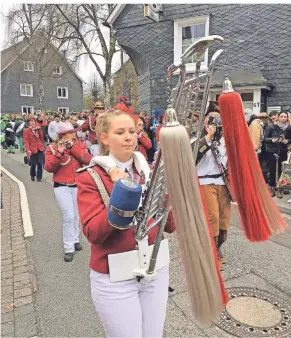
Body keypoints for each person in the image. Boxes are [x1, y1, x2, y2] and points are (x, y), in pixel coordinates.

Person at [76, 110, 175, 337]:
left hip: (155, 269)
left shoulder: (150, 171)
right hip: (115, 278)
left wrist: (172, 192)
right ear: (104, 138)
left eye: (132, 131)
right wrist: (123, 196)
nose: (129, 137)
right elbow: (94, 233)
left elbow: (169, 225)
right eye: (120, 132)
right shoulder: (90, 176)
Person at [44, 122, 92, 262]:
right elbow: (49, 167)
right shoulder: (52, 148)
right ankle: (68, 247)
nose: (73, 134)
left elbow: (87, 160)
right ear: (62, 135)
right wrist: (59, 152)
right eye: (70, 132)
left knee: (76, 215)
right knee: (68, 216)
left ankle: (76, 239)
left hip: (77, 185)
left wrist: (72, 148)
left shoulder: (78, 145)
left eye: (73, 132)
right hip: (61, 187)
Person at [195, 106, 231, 269]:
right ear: (205, 121)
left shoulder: (225, 140)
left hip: (223, 183)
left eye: (218, 119)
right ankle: (211, 251)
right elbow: (193, 157)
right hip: (205, 182)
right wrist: (208, 137)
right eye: (212, 119)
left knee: (224, 220)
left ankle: (218, 246)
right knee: (213, 218)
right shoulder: (198, 140)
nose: (215, 123)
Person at [264, 111, 291, 198]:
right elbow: (264, 139)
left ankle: (279, 188)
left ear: (287, 118)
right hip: (272, 151)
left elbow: (290, 139)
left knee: (281, 170)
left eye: (285, 117)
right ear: (278, 117)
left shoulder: (288, 128)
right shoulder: (271, 127)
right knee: (272, 170)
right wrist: (272, 140)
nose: (283, 118)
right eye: (281, 116)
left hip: (283, 151)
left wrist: (287, 141)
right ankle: (272, 187)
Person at [23, 116, 45, 181]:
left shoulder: (38, 128)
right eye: (31, 121)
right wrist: (28, 150)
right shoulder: (26, 130)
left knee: (40, 163)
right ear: (28, 122)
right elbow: (26, 141)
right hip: (32, 149)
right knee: (33, 164)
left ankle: (39, 177)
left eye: (33, 121)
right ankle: (32, 175)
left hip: (40, 148)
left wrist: (39, 129)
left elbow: (41, 138)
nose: (32, 122)